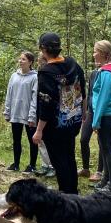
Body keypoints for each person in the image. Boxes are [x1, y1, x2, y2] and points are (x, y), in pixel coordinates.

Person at [32, 33, 85, 194]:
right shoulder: (72, 64)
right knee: (69, 157)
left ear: (42, 49)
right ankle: (73, 192)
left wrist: (39, 130)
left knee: (59, 161)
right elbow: (82, 88)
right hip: (73, 120)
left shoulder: (46, 72)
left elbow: (46, 103)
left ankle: (66, 195)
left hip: (55, 126)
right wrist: (83, 112)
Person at [91, 40, 111, 189]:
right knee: (104, 147)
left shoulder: (108, 73)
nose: (93, 54)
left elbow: (103, 97)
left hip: (106, 115)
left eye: (96, 51)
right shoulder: (107, 70)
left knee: (108, 147)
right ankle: (105, 180)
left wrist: (96, 121)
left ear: (104, 54)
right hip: (106, 114)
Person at [4, 51, 39, 173]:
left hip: (28, 114)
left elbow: (35, 97)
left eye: (24, 59)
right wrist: (7, 111)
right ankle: (16, 163)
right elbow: (9, 94)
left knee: (32, 140)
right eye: (20, 59)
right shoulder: (14, 76)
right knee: (16, 139)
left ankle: (32, 165)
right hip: (15, 112)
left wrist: (32, 115)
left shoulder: (35, 77)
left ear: (30, 62)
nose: (21, 61)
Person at [80, 61, 103, 181]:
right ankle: (85, 169)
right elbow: (89, 94)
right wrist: (86, 111)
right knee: (83, 139)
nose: (95, 58)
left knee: (102, 142)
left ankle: (99, 172)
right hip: (91, 112)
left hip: (102, 112)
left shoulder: (106, 73)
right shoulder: (93, 73)